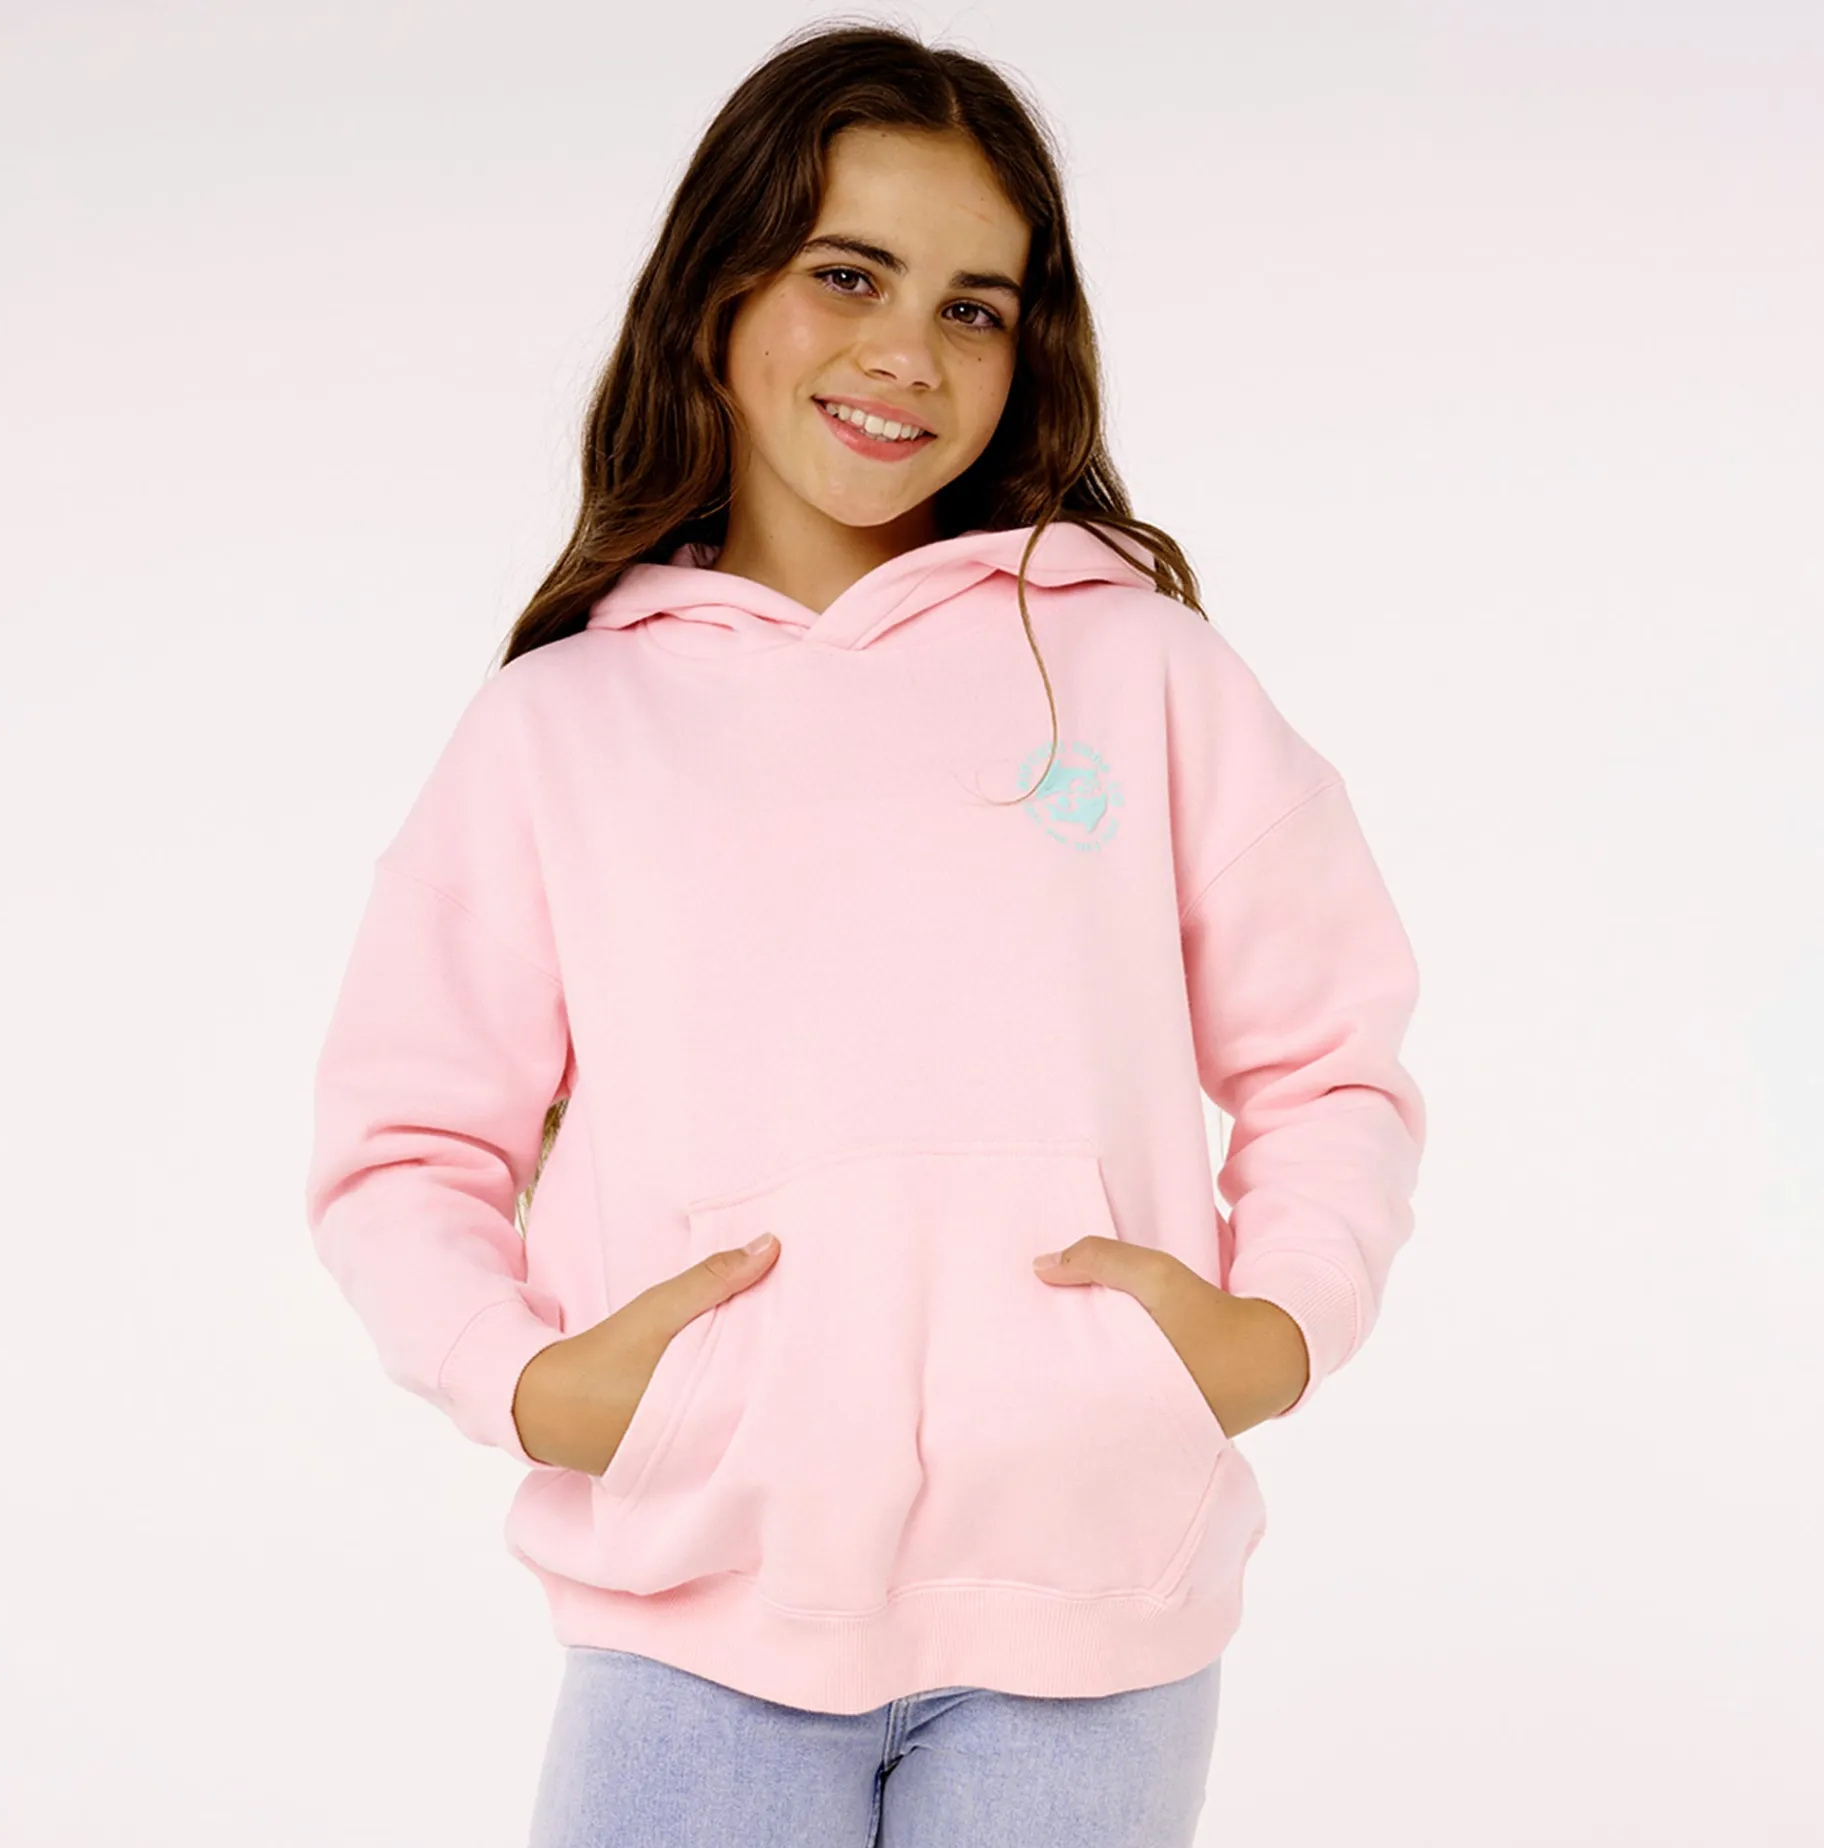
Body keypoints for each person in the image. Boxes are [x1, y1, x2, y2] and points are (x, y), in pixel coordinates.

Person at [304, 21, 1427, 1847]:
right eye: (849, 274)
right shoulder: (560, 728)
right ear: (717, 288)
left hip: (1095, 1606)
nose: (907, 351)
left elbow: (1328, 1058)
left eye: (974, 306)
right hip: (695, 1612)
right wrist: (526, 1381)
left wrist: (1275, 1328)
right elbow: (404, 1145)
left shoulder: (1133, 669)